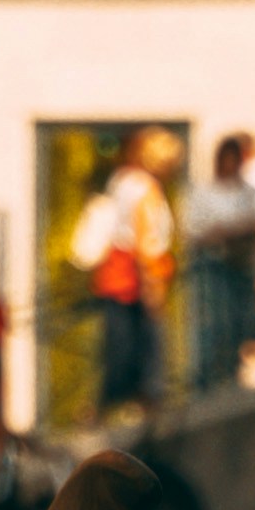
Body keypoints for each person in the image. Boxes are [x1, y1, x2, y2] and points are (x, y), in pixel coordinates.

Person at [70, 128, 174, 422]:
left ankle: (107, 405)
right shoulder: (145, 189)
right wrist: (152, 285)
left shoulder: (120, 181)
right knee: (146, 346)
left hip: (116, 275)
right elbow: (144, 238)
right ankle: (145, 402)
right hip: (135, 275)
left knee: (118, 346)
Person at [177, 133, 255, 391]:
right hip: (213, 265)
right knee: (213, 324)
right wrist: (223, 233)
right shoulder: (204, 193)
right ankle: (207, 380)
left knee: (239, 322)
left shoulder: (249, 192)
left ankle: (231, 373)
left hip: (242, 264)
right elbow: (193, 231)